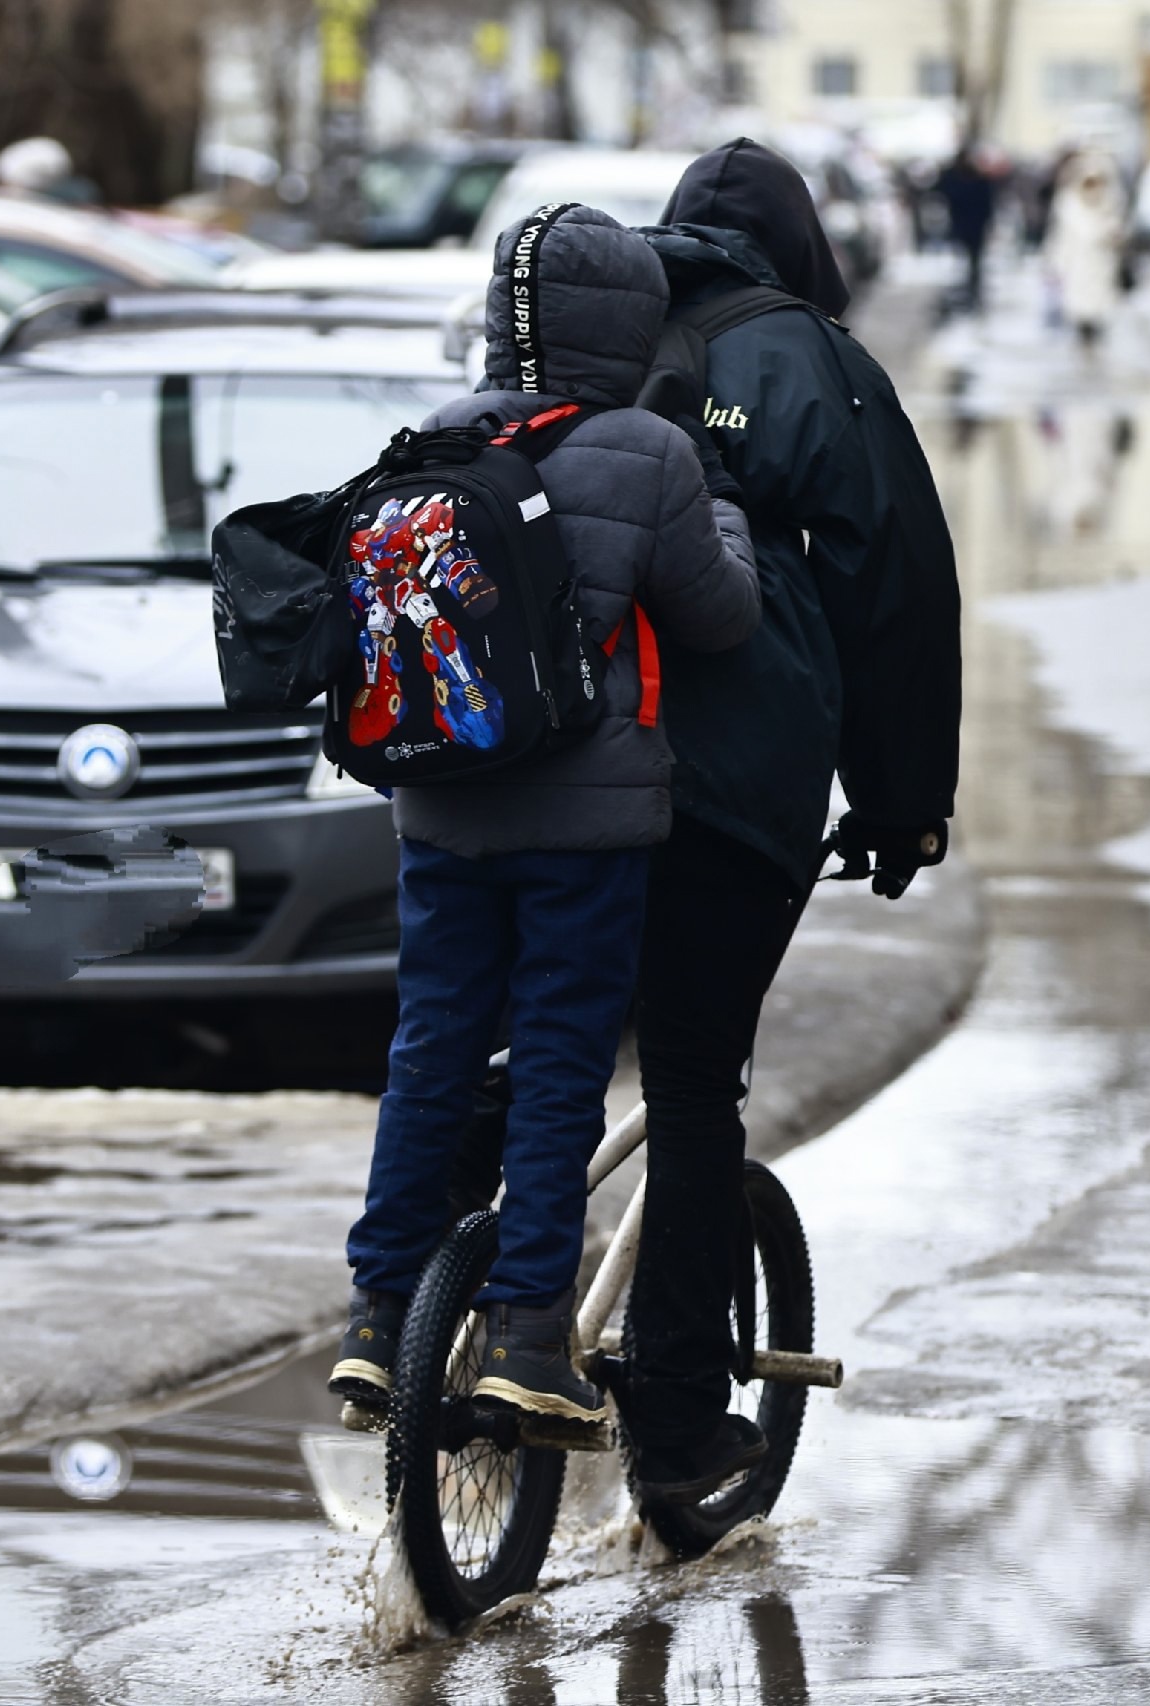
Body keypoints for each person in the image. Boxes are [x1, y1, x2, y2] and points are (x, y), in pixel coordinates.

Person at [330, 204, 761, 1424]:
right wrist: (721, 507)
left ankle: (374, 1314)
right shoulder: (646, 449)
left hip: (443, 804)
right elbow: (722, 615)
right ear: (629, 324)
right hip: (586, 824)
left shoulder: (431, 440)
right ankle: (528, 1328)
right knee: (563, 1060)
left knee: (432, 1048)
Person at [625, 140, 963, 1498]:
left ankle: (449, 1325)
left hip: (535, 770)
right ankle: (671, 1417)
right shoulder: (810, 362)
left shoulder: (590, 334)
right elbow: (895, 592)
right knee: (696, 1081)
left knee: (524, 1058)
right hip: (723, 788)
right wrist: (900, 807)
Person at [1042, 150, 1126, 350]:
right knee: (1079, 297)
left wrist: (1113, 237)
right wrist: (1055, 261)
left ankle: (1094, 325)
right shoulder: (1069, 205)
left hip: (1100, 261)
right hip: (1078, 260)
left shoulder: (1109, 203)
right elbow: (1062, 236)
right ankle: (1083, 326)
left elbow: (1116, 229)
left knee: (1098, 297)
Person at [934, 146, 997, 312]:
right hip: (962, 223)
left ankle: (971, 290)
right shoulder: (955, 177)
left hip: (974, 225)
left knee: (973, 261)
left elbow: (987, 203)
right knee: (961, 260)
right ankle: (963, 290)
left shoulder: (979, 178)